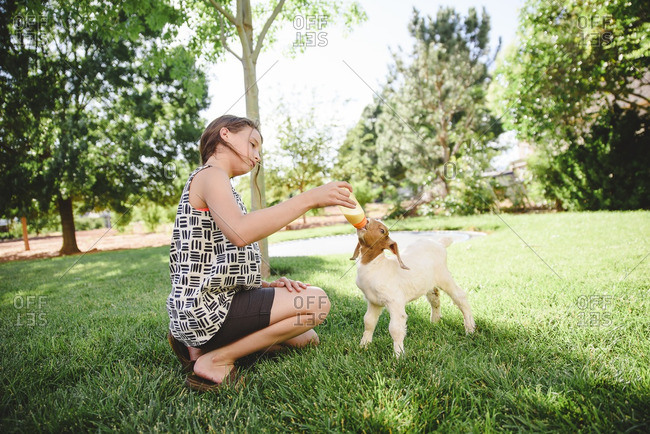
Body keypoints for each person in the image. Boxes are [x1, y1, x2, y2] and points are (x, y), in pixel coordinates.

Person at [166, 114, 356, 391]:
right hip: (205, 310)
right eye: (253, 144)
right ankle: (217, 359)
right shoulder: (211, 175)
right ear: (226, 134)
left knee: (307, 337)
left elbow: (212, 263)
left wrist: (267, 287)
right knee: (316, 303)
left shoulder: (218, 184)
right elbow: (240, 232)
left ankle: (196, 349)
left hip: (205, 309)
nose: (257, 156)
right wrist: (310, 198)